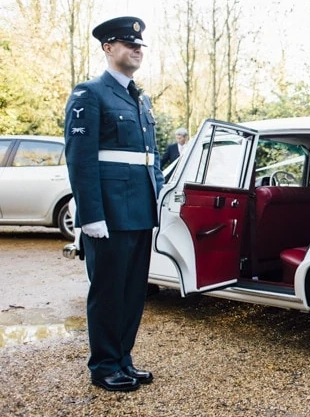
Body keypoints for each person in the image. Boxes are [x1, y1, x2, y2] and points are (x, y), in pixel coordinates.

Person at [63, 16, 164, 392]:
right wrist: (90, 216)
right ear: (108, 48)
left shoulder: (141, 98)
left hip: (139, 212)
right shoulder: (89, 94)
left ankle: (123, 358)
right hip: (109, 214)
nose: (137, 49)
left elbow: (150, 158)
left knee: (133, 292)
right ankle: (104, 365)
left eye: (140, 45)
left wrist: (159, 202)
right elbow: (80, 159)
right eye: (128, 43)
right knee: (107, 292)